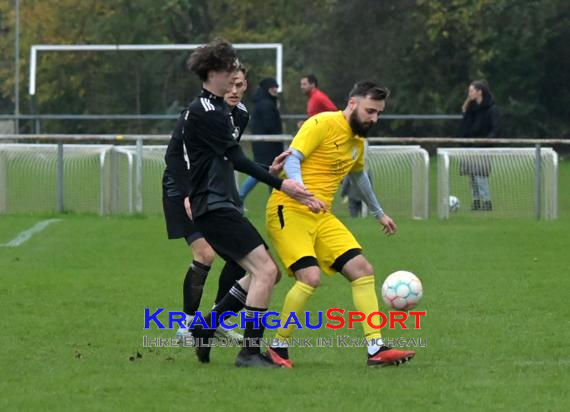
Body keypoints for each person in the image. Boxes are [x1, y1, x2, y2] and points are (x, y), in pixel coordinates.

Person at [181, 39, 323, 368]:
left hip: (220, 204)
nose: (235, 77)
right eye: (230, 70)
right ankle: (248, 353)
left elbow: (227, 160)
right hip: (212, 206)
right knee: (266, 271)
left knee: (266, 274)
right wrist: (284, 185)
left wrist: (269, 173)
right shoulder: (206, 112)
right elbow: (236, 159)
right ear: (213, 72)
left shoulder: (220, 110)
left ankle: (206, 325)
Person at [265, 81, 416, 368]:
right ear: (352, 103)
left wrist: (378, 213)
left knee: (362, 270)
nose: (374, 119)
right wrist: (305, 194)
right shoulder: (321, 122)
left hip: (321, 214)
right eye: (370, 111)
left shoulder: (358, 142)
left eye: (379, 114)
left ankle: (376, 349)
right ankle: (277, 347)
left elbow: (359, 178)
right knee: (309, 277)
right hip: (289, 209)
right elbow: (293, 160)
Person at [162, 66, 249, 344]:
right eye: (231, 84)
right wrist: (188, 192)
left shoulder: (241, 115)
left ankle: (215, 322)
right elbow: (173, 156)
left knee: (241, 257)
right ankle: (185, 327)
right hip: (182, 191)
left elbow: (228, 159)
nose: (235, 90)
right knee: (206, 254)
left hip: (215, 194)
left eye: (241, 84)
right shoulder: (198, 111)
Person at [239, 78, 284, 204]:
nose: (275, 89)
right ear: (267, 89)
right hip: (267, 147)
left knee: (270, 173)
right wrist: (279, 135)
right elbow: (269, 125)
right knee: (261, 173)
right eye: (272, 87)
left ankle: (274, 201)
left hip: (265, 145)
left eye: (276, 87)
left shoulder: (264, 103)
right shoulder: (266, 104)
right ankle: (240, 196)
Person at [459, 79, 501, 211]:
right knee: (471, 176)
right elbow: (464, 127)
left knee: (480, 175)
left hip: (483, 147)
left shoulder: (492, 109)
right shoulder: (470, 109)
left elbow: (496, 129)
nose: (469, 94)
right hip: (470, 146)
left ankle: (486, 201)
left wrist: (486, 141)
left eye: (471, 91)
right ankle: (476, 201)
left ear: (479, 92)